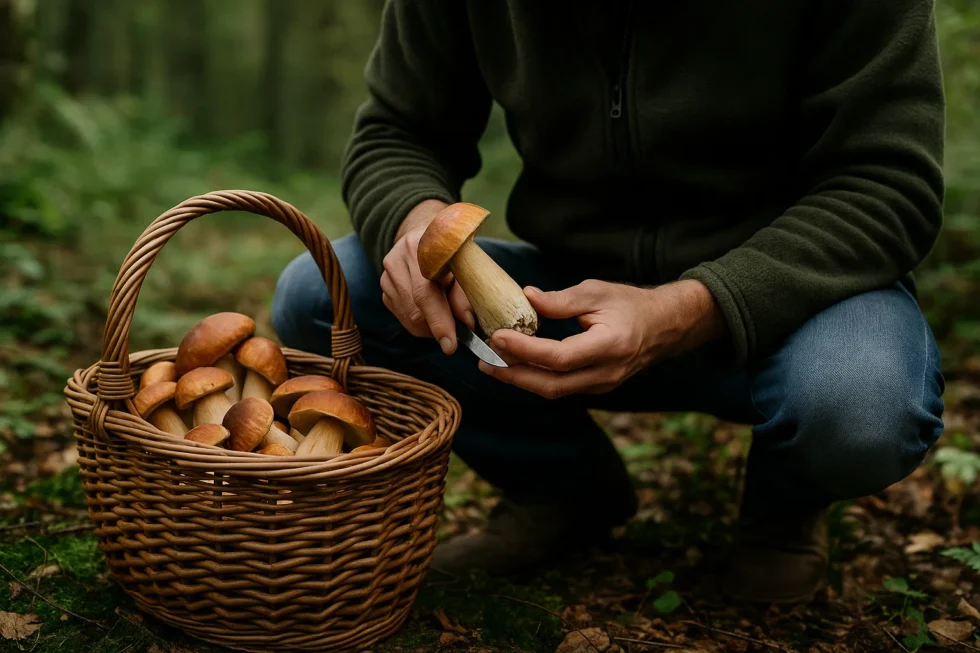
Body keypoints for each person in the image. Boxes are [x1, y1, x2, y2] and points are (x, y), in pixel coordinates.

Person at [270, 0, 947, 605]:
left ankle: (784, 513)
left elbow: (886, 183)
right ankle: (564, 491)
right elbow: (398, 130)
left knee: (859, 404)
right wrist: (414, 220)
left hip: (790, 300)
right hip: (568, 293)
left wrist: (688, 308)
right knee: (322, 294)